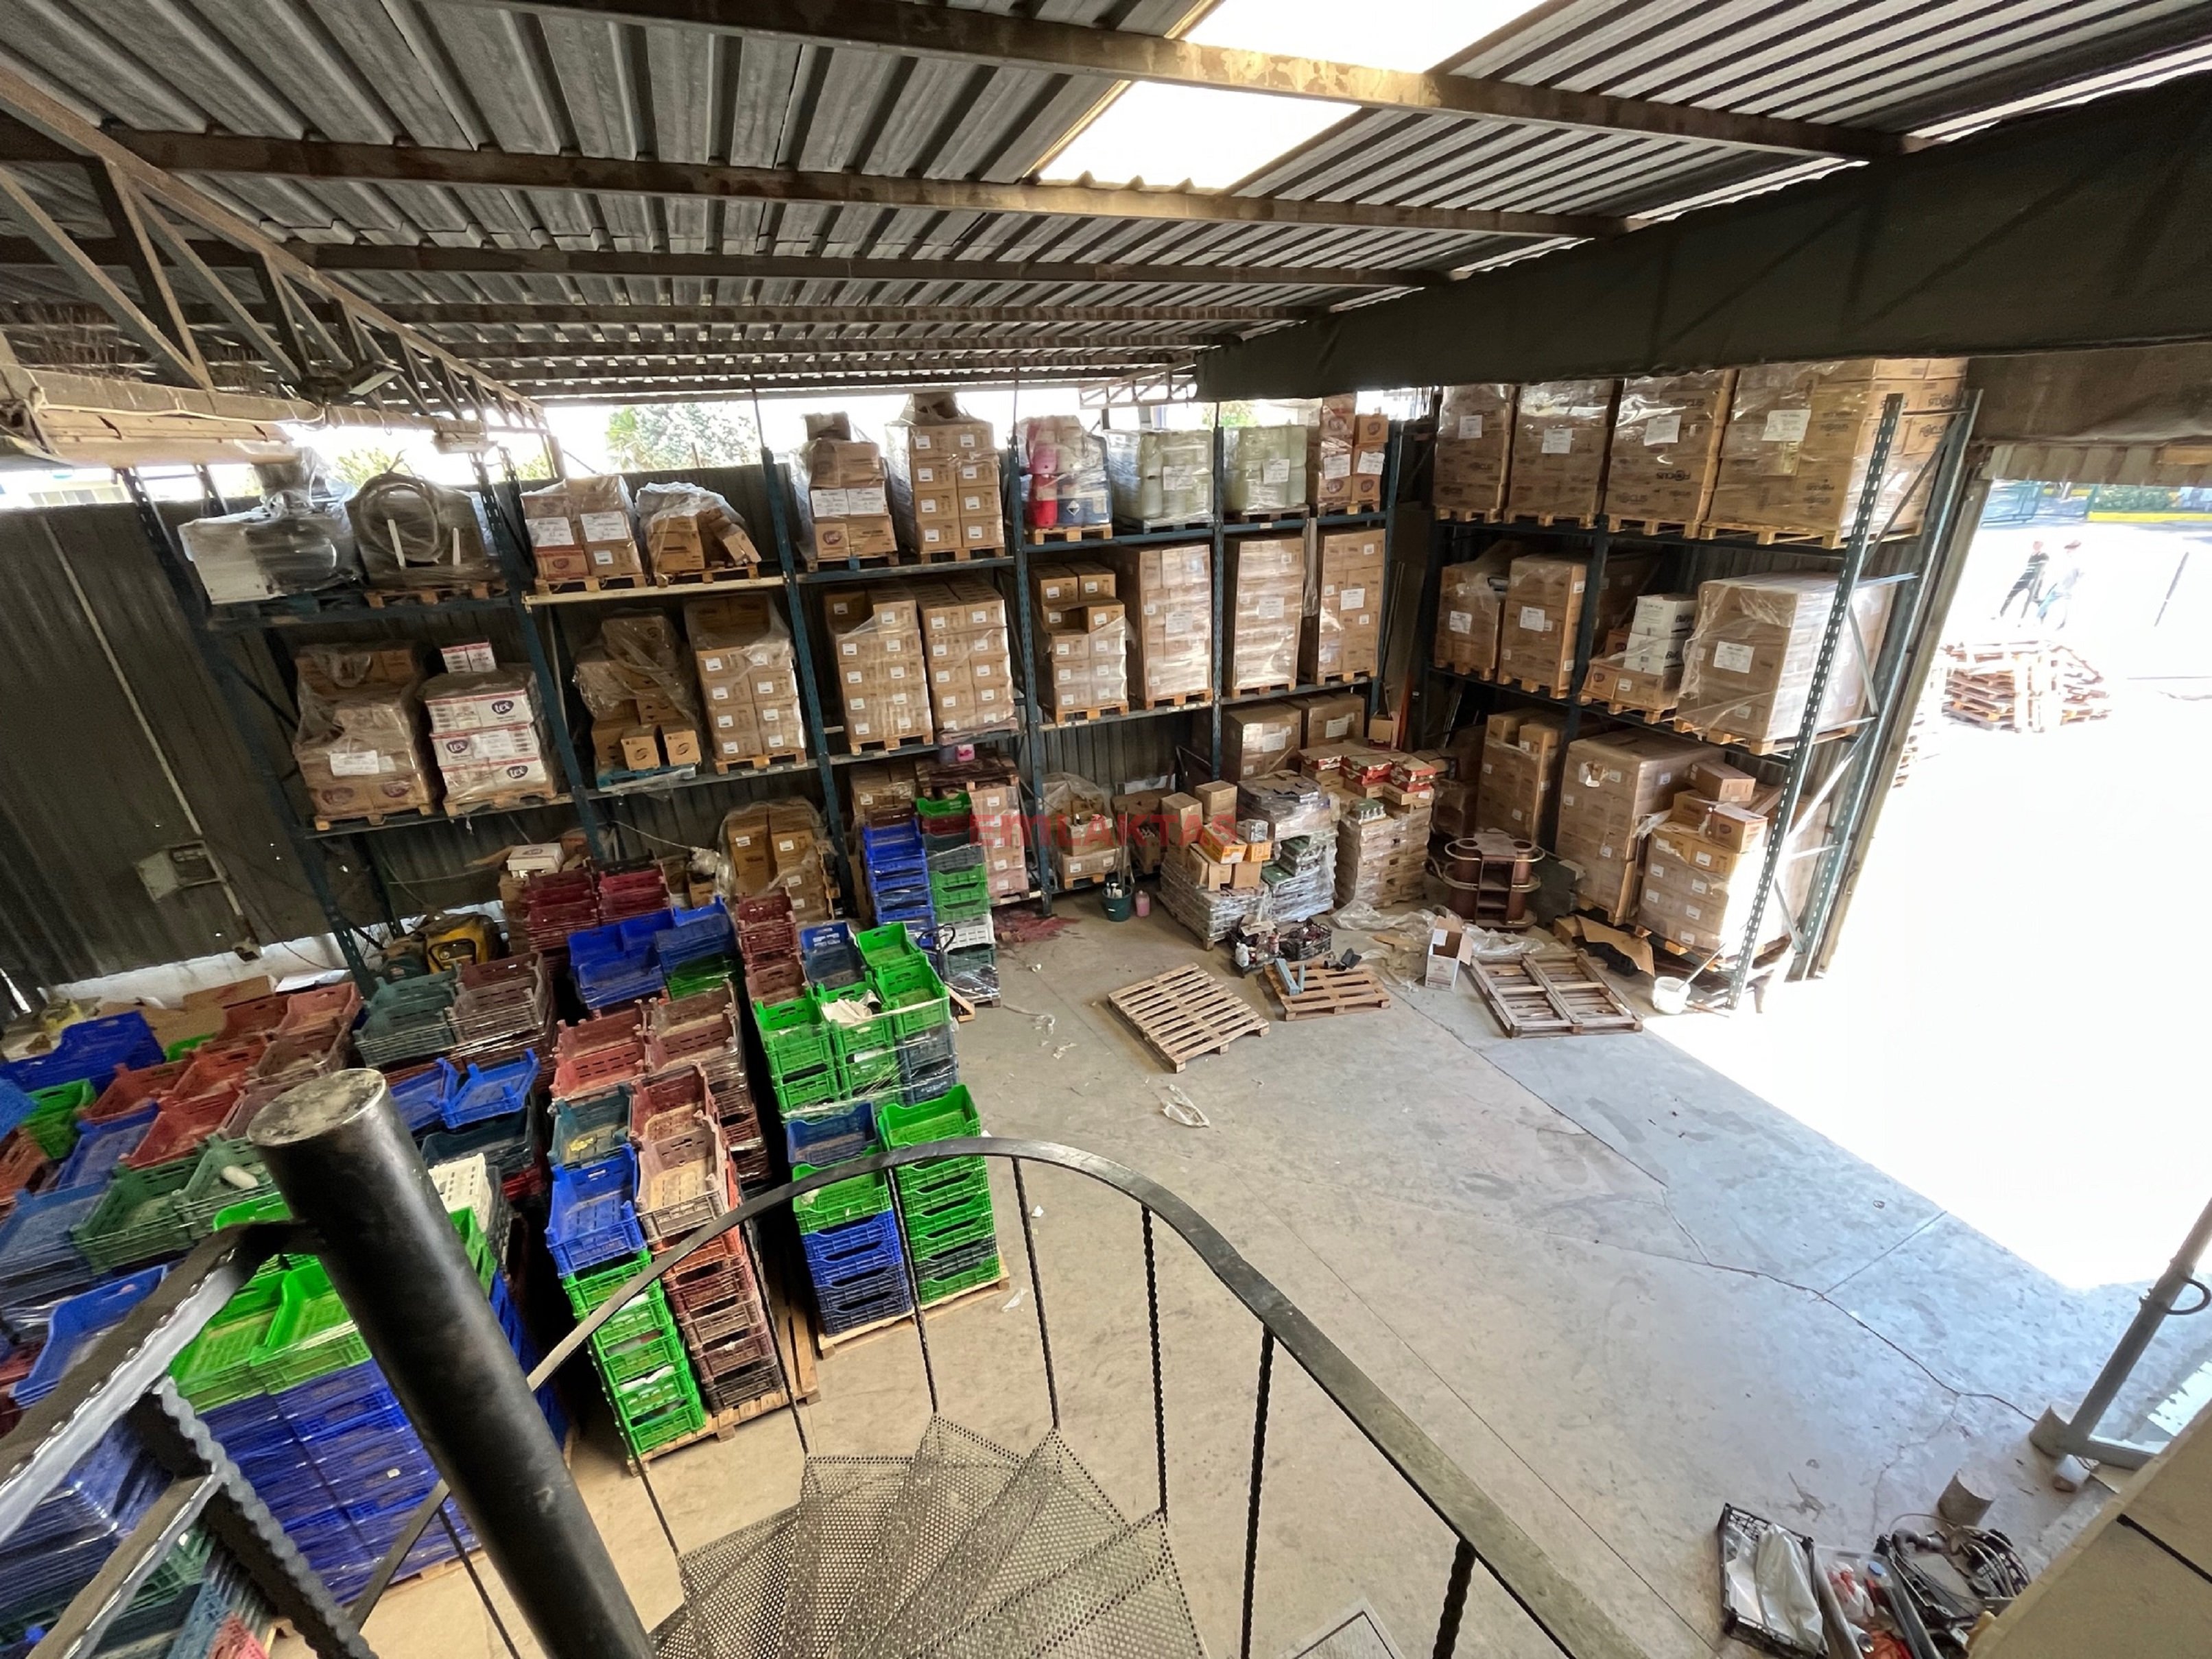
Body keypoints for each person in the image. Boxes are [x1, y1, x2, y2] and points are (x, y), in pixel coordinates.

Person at [2000, 540, 2049, 619]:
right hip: (2025, 577)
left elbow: (2040, 570)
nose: (2035, 546)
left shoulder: (2044, 556)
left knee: (2034, 598)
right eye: (2035, 544)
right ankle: (2001, 613)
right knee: (2012, 593)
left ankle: (2043, 615)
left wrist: (2033, 581)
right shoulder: (2032, 555)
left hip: (2035, 579)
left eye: (2038, 545)